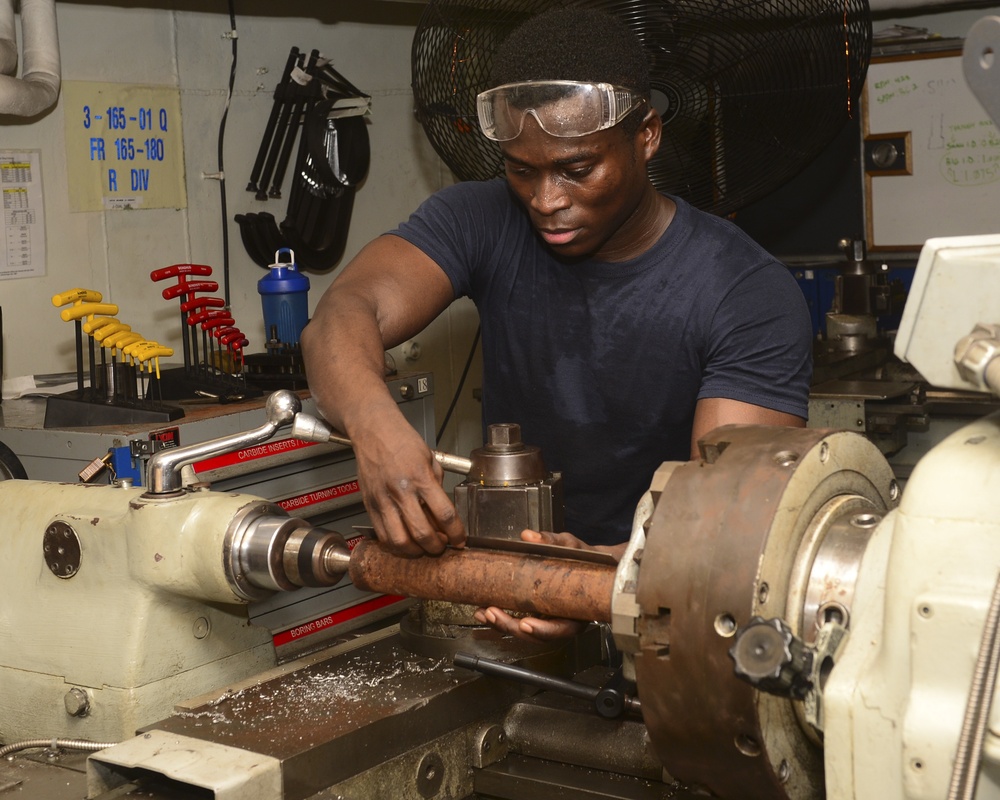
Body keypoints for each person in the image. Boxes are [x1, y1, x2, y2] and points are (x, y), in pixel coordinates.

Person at [301, 7, 813, 638]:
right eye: (522, 169)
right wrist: (375, 427)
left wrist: (590, 586)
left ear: (647, 135)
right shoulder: (477, 219)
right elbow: (339, 316)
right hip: (511, 591)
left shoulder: (745, 291)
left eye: (577, 169)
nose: (546, 201)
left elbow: (722, 532)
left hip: (671, 618)